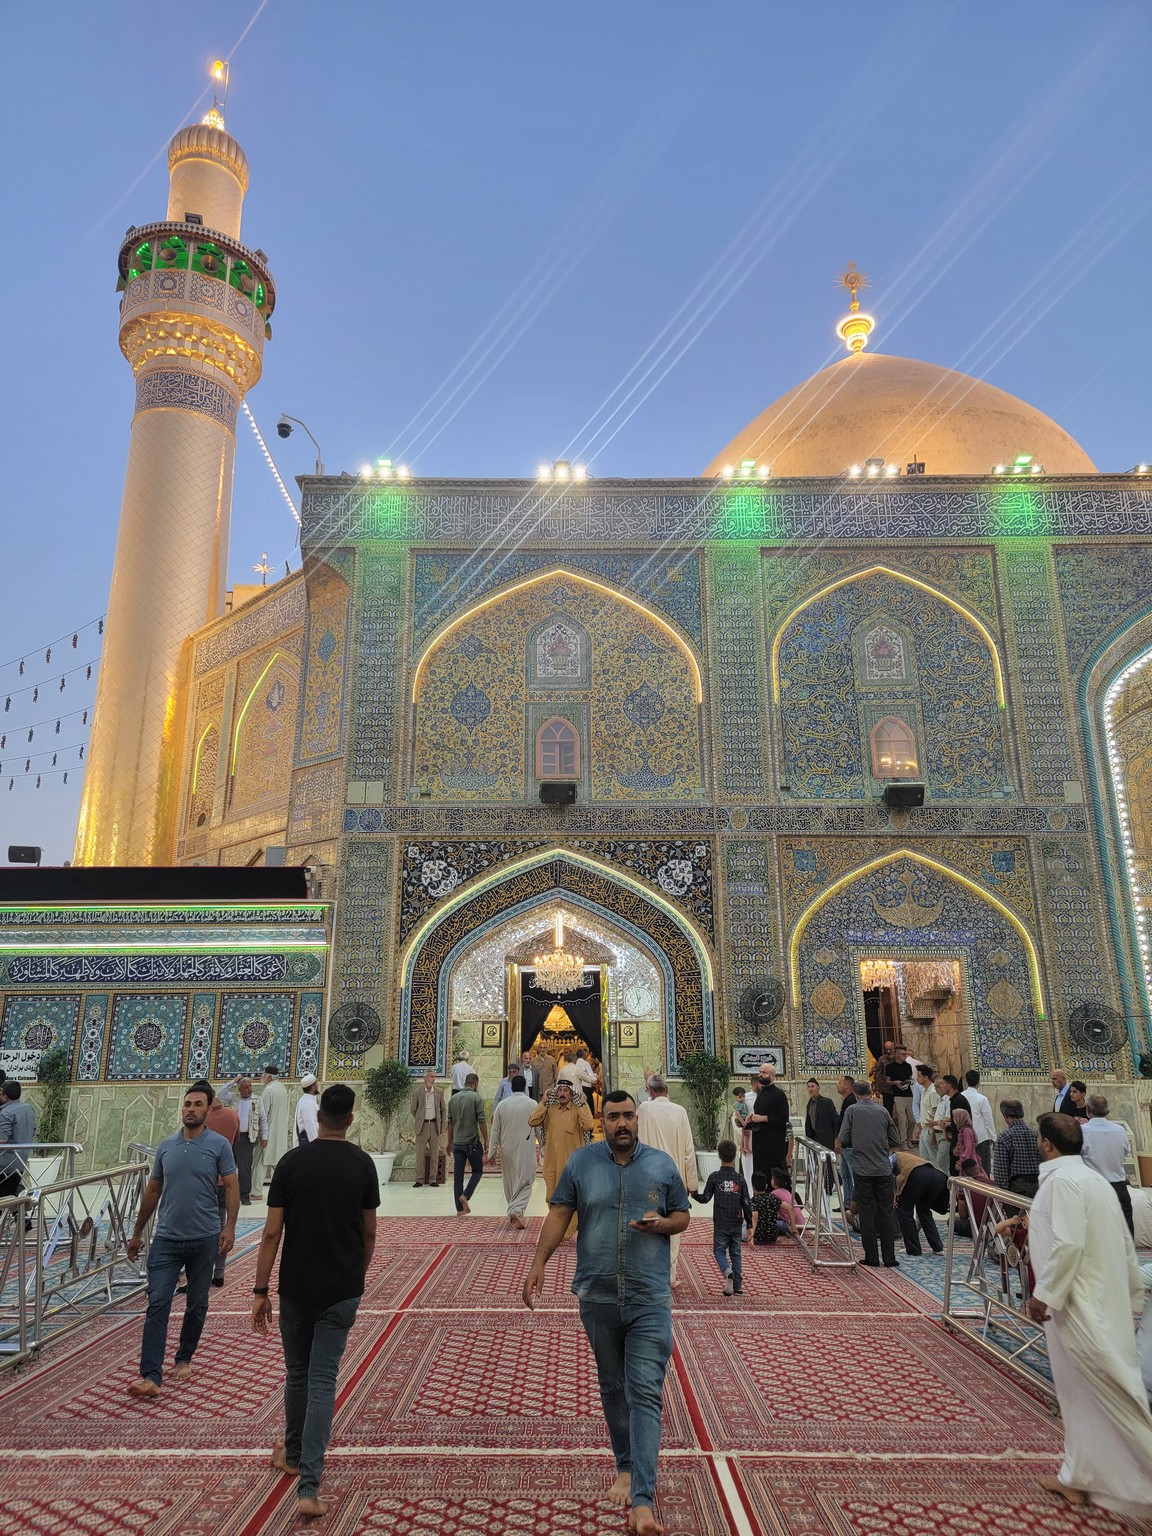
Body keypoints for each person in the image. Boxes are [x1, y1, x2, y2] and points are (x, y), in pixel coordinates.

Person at [522, 1089, 691, 1536]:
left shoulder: (661, 1165)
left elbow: (683, 1216)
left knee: (645, 1392)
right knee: (613, 1387)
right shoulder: (582, 1164)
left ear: (638, 1119)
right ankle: (624, 1463)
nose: (622, 1123)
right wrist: (539, 1262)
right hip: (597, 1294)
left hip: (648, 1296)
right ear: (602, 1119)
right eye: (613, 1116)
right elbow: (559, 1213)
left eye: (628, 1116)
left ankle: (643, 1500)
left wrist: (665, 1224)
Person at [252, 1083, 379, 1521]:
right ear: (350, 1118)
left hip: (296, 1289)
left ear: (319, 1113)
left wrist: (259, 1290)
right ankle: (309, 1484)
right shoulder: (362, 1164)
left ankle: (291, 1452)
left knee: (298, 1373)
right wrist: (357, 1275)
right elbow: (369, 1234)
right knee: (323, 1380)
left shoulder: (291, 1163)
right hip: (342, 1289)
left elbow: (271, 1233)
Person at [1026, 1112, 1152, 1519]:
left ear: (1046, 1143)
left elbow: (1068, 1245)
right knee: (1077, 1394)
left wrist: (1042, 1295)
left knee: (1116, 1393)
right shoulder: (1092, 1179)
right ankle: (1078, 1476)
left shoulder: (1064, 1182)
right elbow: (1122, 1240)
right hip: (1093, 1302)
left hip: (1081, 1305)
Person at [125, 1081, 239, 1398]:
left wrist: (229, 1228)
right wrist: (137, 1233)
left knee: (197, 1303)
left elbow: (231, 1188)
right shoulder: (166, 1147)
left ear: (208, 1108)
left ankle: (184, 1356)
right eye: (187, 1104)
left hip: (204, 1239)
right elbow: (152, 1191)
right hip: (166, 1240)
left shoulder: (218, 1146)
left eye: (197, 1104)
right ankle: (150, 1376)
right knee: (158, 1302)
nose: (191, 1109)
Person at [637, 1074, 697, 1287]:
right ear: (667, 1091)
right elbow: (689, 1150)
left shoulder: (644, 1108)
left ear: (650, 1091)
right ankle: (669, 1277)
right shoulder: (680, 1112)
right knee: (672, 1226)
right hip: (675, 1178)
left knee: (646, 1220)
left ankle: (646, 1273)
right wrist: (692, 1184)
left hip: (647, 1176)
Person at [837, 1081, 899, 1267]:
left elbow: (843, 1137)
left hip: (863, 1169)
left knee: (866, 1212)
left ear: (855, 1094)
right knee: (886, 1211)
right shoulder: (883, 1111)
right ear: (871, 1093)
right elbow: (895, 1138)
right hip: (883, 1168)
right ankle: (889, 1258)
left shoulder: (852, 1111)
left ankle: (871, 1257)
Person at [530, 1080, 594, 1232]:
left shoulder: (578, 1109)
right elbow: (533, 1121)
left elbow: (589, 1125)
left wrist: (583, 1105)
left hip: (571, 1165)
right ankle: (558, 1226)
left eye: (566, 1090)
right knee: (552, 1197)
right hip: (552, 1163)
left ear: (572, 1093)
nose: (562, 1093)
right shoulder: (550, 1109)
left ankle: (567, 1231)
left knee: (570, 1199)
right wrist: (543, 1103)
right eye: (560, 1091)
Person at [692, 1139, 750, 1296]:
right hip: (737, 1222)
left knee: (719, 1251)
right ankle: (737, 1285)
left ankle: (727, 1271)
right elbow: (746, 1202)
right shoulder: (740, 1179)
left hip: (721, 1223)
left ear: (719, 1155)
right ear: (734, 1155)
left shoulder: (715, 1177)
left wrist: (693, 1194)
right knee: (736, 1253)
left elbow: (705, 1198)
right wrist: (750, 1225)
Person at [1081, 1094, 1135, 1236]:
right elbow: (1124, 1152)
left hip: (1094, 1187)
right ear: (1107, 1111)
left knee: (1098, 1234)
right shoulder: (1119, 1130)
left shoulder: (1083, 1131)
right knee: (1125, 1233)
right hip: (1119, 1186)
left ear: (1088, 1109)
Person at [490, 1073, 537, 1228]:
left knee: (510, 1180)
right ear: (524, 1087)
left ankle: (514, 1209)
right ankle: (516, 1209)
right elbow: (540, 1128)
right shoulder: (532, 1104)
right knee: (526, 1178)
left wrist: (491, 1151)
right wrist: (543, 1146)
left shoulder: (502, 1105)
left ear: (511, 1087)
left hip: (507, 1148)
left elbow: (495, 1130)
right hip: (526, 1147)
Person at [205, 1091, 240, 1287]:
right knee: (222, 1227)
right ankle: (219, 1273)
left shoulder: (203, 1120)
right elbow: (235, 1140)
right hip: (226, 1180)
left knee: (205, 1228)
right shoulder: (233, 1115)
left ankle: (202, 1272)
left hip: (206, 1181)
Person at [892, 1148, 949, 1256]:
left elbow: (887, 1174)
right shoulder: (912, 1158)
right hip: (939, 1176)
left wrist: (895, 1193)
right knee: (924, 1210)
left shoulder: (893, 1157)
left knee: (904, 1210)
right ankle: (938, 1248)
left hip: (918, 1176)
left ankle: (913, 1249)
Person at [447, 1071, 488, 1214]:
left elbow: (450, 1123)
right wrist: (486, 1140)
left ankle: (459, 1209)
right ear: (475, 1084)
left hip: (457, 1142)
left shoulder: (453, 1098)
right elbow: (481, 1121)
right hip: (471, 1142)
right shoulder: (476, 1097)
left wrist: (449, 1142)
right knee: (477, 1170)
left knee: (458, 1176)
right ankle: (466, 1195)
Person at [746, 1065, 791, 1180]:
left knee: (772, 1176)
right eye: (760, 1072)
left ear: (772, 1076)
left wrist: (764, 1118)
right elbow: (760, 1113)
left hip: (773, 1146)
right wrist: (751, 1118)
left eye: (764, 1072)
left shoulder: (779, 1095)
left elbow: (783, 1118)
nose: (760, 1074)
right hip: (759, 1143)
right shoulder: (761, 1093)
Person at [994, 1099, 1041, 1198]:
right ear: (1022, 1114)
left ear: (1005, 1116)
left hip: (1017, 1188)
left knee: (1016, 1214)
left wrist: (1002, 1193)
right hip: (1038, 1186)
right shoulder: (1036, 1135)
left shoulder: (1005, 1137)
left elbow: (1000, 1171)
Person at [0, 1080, 37, 1200]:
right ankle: (22, 1215)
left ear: (5, 1096)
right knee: (12, 1193)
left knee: (4, 1199)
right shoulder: (28, 1109)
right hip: (21, 1160)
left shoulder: (5, 1113)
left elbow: (2, 1139)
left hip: (5, 1164)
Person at [409, 1069, 447, 1187]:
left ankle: (433, 1179)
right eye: (431, 1076)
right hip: (422, 1126)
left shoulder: (439, 1092)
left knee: (434, 1154)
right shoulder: (418, 1092)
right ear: (425, 1078)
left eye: (434, 1076)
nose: (433, 1079)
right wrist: (420, 1119)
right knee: (420, 1154)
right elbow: (413, 1109)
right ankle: (419, 1179)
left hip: (434, 1126)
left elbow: (443, 1109)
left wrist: (442, 1125)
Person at [260, 1065, 289, 1189]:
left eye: (263, 1075)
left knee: (262, 1161)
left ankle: (257, 1190)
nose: (261, 1078)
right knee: (276, 1159)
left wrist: (261, 1133)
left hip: (269, 1131)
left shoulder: (269, 1090)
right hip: (280, 1129)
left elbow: (263, 1113)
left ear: (270, 1077)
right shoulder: (282, 1088)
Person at [963, 1070, 996, 1174]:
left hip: (965, 1137)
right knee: (984, 1167)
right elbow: (988, 1119)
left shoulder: (961, 1097)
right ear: (978, 1082)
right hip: (981, 1137)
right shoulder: (981, 1099)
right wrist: (993, 1137)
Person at [884, 1045, 916, 1148]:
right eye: (903, 1054)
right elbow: (887, 1081)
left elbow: (910, 1078)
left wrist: (909, 1082)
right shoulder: (890, 1066)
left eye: (905, 1054)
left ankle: (910, 1137)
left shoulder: (907, 1066)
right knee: (903, 1119)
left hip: (908, 1094)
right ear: (897, 1054)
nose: (905, 1056)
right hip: (898, 1095)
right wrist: (895, 1083)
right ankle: (903, 1141)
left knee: (912, 1119)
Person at [835, 1075, 858, 1206]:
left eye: (839, 1083)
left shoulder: (851, 1101)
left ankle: (855, 1203)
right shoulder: (847, 1100)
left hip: (849, 1145)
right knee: (845, 1175)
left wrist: (840, 1140)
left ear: (847, 1086)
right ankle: (847, 1202)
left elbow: (847, 1124)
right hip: (845, 1145)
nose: (837, 1085)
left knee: (852, 1175)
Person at [914, 1064, 942, 1167]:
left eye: (919, 1076)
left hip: (930, 1129)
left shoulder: (933, 1092)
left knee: (933, 1158)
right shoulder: (924, 1091)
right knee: (924, 1159)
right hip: (924, 1129)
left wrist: (933, 1131)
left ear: (926, 1078)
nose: (917, 1078)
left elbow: (934, 1112)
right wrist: (918, 1126)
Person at [748, 1171, 782, 1245]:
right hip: (772, 1236)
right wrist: (793, 1227)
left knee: (743, 1224)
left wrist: (752, 1236)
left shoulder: (753, 1201)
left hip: (758, 1237)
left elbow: (754, 1218)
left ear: (752, 1186)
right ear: (766, 1186)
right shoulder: (773, 1198)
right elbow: (789, 1208)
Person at [771, 1168, 804, 1237]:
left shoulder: (774, 1193)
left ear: (774, 1181)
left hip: (791, 1225)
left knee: (767, 1223)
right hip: (801, 1224)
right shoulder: (787, 1192)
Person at [950, 1108, 983, 1174]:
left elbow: (968, 1148)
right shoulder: (963, 1130)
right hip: (967, 1160)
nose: (953, 1119)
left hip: (969, 1163)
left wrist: (960, 1162)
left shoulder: (966, 1131)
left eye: (955, 1117)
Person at [294, 1074, 320, 1145]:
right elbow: (310, 1126)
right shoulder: (307, 1104)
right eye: (317, 1084)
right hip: (308, 1144)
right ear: (313, 1087)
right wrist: (316, 1145)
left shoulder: (308, 1101)